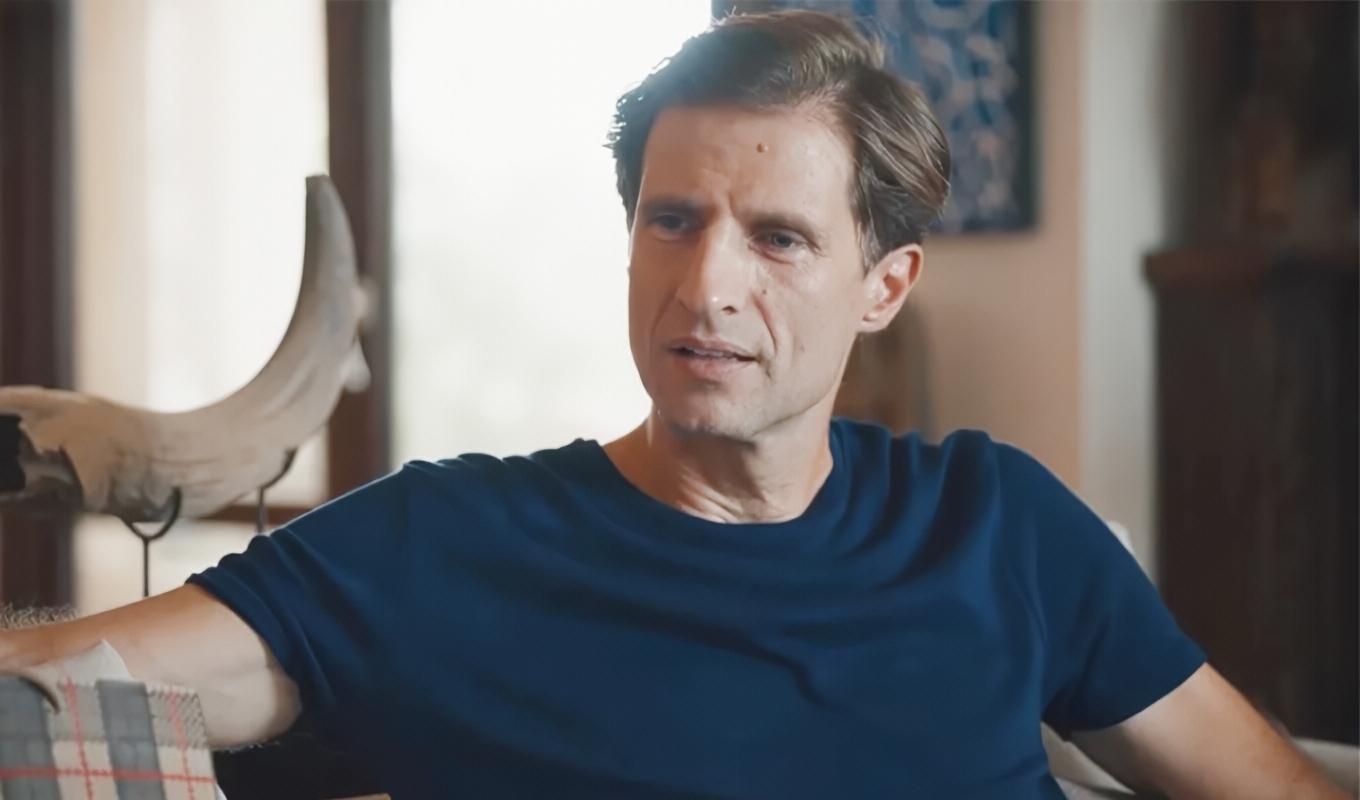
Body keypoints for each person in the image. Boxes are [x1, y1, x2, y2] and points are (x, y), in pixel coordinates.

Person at [0, 10, 1345, 800]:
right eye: (673, 220)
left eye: (778, 238)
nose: (705, 287)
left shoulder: (1002, 528)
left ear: (884, 285)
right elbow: (47, 698)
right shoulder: (440, 546)